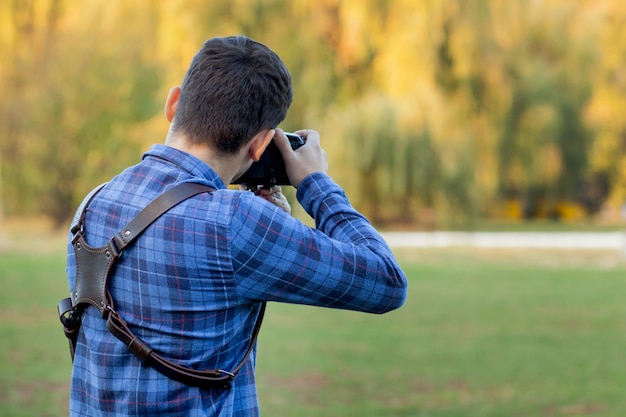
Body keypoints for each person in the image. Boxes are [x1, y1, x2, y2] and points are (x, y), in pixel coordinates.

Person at [65, 35, 408, 417]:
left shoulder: (93, 204)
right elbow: (386, 282)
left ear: (173, 103)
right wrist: (316, 184)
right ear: (261, 144)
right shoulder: (238, 222)